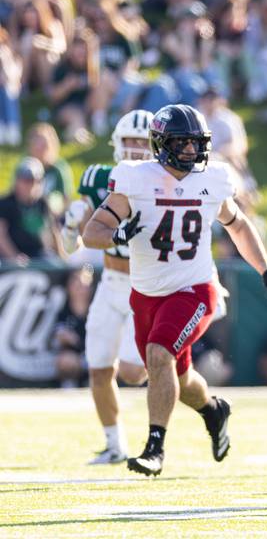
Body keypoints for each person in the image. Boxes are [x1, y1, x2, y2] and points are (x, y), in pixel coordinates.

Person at [81, 104, 267, 476]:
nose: (192, 152)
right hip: (145, 293)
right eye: (183, 143)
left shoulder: (211, 180)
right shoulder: (135, 179)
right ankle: (212, 409)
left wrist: (266, 269)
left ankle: (154, 448)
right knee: (176, 376)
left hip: (194, 288)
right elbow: (91, 232)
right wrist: (118, 232)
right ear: (161, 144)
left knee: (159, 355)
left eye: (197, 144)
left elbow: (238, 226)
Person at [61, 110, 153, 465]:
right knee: (98, 368)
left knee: (133, 371)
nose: (135, 149)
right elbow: (71, 249)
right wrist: (70, 227)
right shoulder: (97, 178)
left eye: (143, 143)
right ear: (117, 143)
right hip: (109, 283)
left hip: (143, 285)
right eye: (130, 140)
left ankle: (169, 367)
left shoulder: (162, 183)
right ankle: (115, 444)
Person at [0, 157, 64, 264]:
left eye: (35, 181)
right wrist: (14, 257)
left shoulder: (43, 203)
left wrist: (63, 259)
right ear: (17, 180)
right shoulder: (5, 203)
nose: (31, 185)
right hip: (10, 259)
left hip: (40, 255)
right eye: (26, 180)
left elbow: (54, 232)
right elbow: (1, 236)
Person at [54, 267, 95, 389]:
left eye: (84, 282)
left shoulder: (98, 311)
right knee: (65, 361)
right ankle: (69, 389)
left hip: (96, 357)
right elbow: (59, 336)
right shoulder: (63, 312)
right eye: (75, 281)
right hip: (76, 357)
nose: (79, 286)